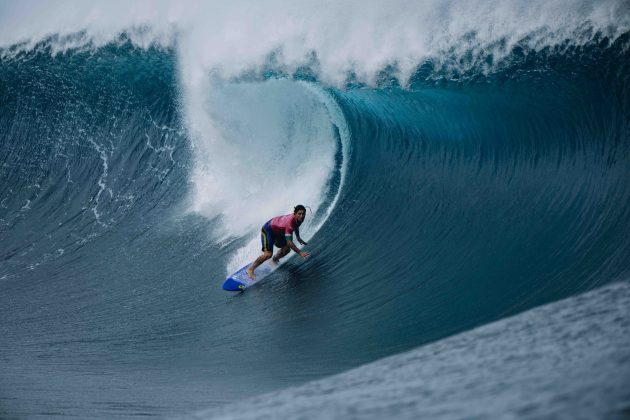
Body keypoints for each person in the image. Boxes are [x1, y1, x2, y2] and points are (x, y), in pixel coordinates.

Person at [246, 205, 311, 280]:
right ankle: (250, 269)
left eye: (303, 214)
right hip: (268, 230)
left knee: (286, 249)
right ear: (294, 214)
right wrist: (300, 252)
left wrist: (298, 237)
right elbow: (289, 242)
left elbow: (296, 226)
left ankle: (275, 259)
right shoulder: (289, 223)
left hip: (279, 233)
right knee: (268, 254)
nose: (302, 216)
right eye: (299, 214)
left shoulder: (299, 219)